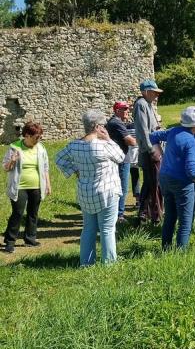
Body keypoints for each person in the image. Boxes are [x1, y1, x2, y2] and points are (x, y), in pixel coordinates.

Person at [56, 109, 124, 266]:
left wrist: (75, 171)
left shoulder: (75, 145)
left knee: (88, 229)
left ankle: (86, 263)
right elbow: (120, 157)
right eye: (104, 126)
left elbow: (59, 159)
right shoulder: (103, 146)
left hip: (86, 192)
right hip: (107, 192)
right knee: (107, 229)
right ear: (98, 126)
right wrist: (108, 139)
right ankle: (109, 264)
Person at [150, 106, 195, 249]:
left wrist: (159, 151)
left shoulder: (174, 131)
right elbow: (191, 169)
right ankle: (181, 254)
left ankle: (166, 248)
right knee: (185, 221)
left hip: (165, 177)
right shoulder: (191, 141)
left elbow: (153, 136)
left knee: (170, 215)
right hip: (182, 182)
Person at [2, 122, 51, 253]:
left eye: (40, 137)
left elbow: (45, 167)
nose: (39, 139)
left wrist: (48, 184)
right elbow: (6, 168)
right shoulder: (14, 147)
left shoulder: (40, 148)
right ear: (27, 135)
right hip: (19, 187)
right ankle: (10, 241)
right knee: (17, 213)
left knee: (33, 214)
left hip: (36, 186)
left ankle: (30, 239)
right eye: (37, 137)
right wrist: (12, 160)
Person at [133, 79, 164, 224]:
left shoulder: (147, 104)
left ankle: (144, 214)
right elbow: (143, 130)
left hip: (154, 147)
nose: (156, 96)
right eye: (154, 92)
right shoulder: (141, 104)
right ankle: (150, 214)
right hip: (150, 149)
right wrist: (151, 149)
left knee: (150, 182)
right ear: (145, 92)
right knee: (153, 182)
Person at [106, 101, 137, 223]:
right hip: (121, 159)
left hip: (117, 158)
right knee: (122, 187)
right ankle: (119, 215)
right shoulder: (117, 123)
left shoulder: (114, 122)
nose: (127, 111)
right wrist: (143, 142)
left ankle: (115, 213)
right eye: (124, 109)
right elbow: (130, 141)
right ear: (117, 111)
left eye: (128, 109)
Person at [126, 122, 140, 209]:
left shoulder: (126, 127)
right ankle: (139, 200)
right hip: (137, 156)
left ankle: (138, 200)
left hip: (128, 156)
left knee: (135, 176)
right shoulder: (138, 127)